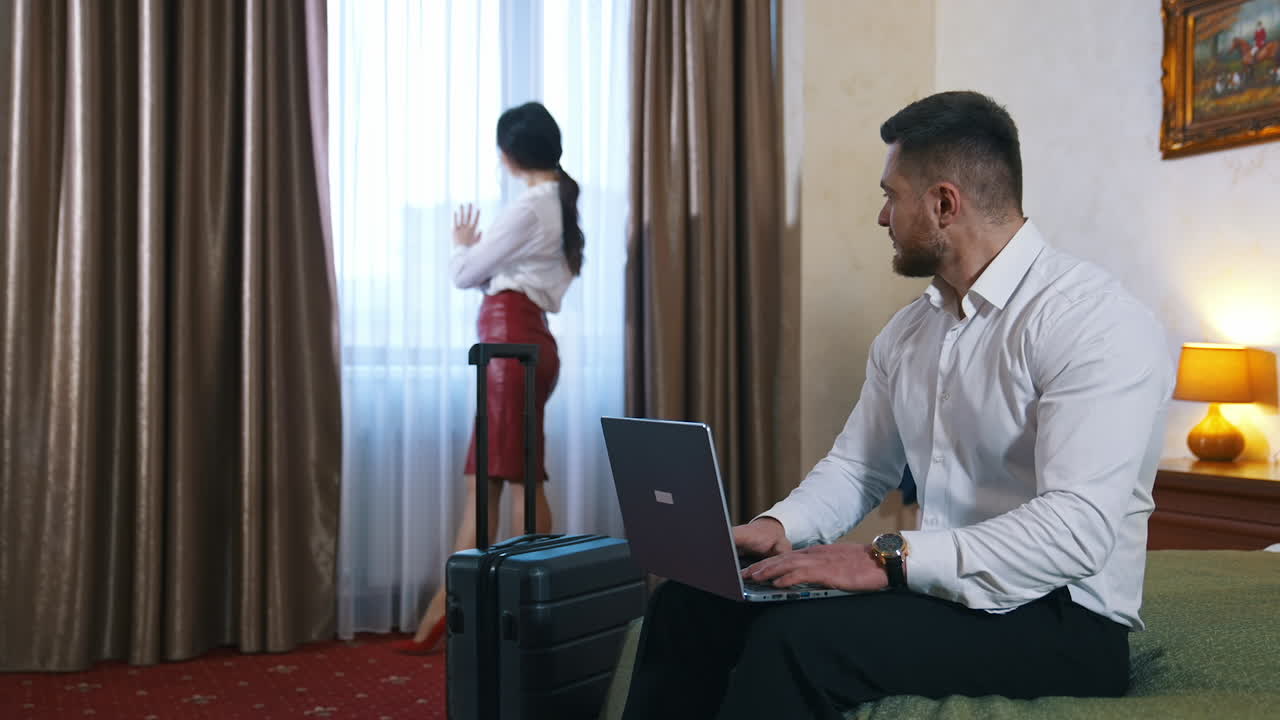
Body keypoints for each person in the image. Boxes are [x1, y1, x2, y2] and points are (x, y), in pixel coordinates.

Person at [619, 91, 1174, 719]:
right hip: (941, 591)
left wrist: (887, 560)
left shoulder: (1094, 322)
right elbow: (858, 467)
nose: (883, 217)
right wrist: (777, 529)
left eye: (891, 195)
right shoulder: (910, 332)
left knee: (795, 644)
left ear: (943, 203)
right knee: (688, 604)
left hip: (1062, 616)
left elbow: (1075, 531)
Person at [393, 101, 583, 655]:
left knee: (506, 480)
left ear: (507, 154)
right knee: (505, 477)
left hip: (511, 346)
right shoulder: (557, 203)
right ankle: (472, 608)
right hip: (524, 342)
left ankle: (480, 609)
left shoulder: (529, 208)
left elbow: (464, 275)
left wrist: (462, 245)